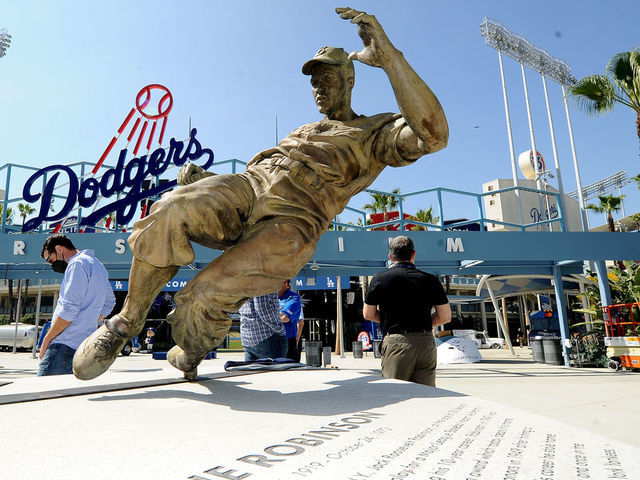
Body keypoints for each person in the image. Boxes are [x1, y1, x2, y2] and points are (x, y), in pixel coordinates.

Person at [73, 6, 448, 381]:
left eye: (327, 79)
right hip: (250, 187)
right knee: (169, 208)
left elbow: (434, 135)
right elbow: (267, 174)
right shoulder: (305, 128)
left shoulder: (373, 133)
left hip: (294, 220)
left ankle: (190, 349)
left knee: (202, 295)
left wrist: (390, 60)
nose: (318, 88)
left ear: (350, 79)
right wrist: (207, 179)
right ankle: (125, 322)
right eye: (313, 81)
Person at [363, 236, 451, 387]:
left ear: (391, 257)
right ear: (413, 254)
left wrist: (389, 320)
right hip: (425, 343)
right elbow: (445, 316)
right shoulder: (431, 280)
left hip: (396, 342)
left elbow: (368, 314)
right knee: (426, 395)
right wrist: (421, 323)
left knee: (395, 393)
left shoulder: (379, 278)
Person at [38, 234, 115, 376]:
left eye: (51, 260)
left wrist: (47, 339)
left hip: (63, 344)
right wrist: (87, 321)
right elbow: (110, 302)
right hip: (82, 347)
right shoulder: (97, 265)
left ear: (59, 249)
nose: (52, 265)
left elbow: (69, 309)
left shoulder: (76, 264)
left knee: (42, 395)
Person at [239, 293, 288, 361]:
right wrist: (280, 329)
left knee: (253, 370)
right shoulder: (265, 282)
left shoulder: (243, 283)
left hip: (247, 337)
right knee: (274, 369)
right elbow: (263, 309)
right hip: (266, 336)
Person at [279, 279, 303, 362]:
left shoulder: (294, 298)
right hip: (273, 340)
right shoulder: (271, 298)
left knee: (289, 371)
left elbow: (285, 318)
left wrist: (297, 340)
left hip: (288, 341)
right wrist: (280, 311)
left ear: (285, 282)